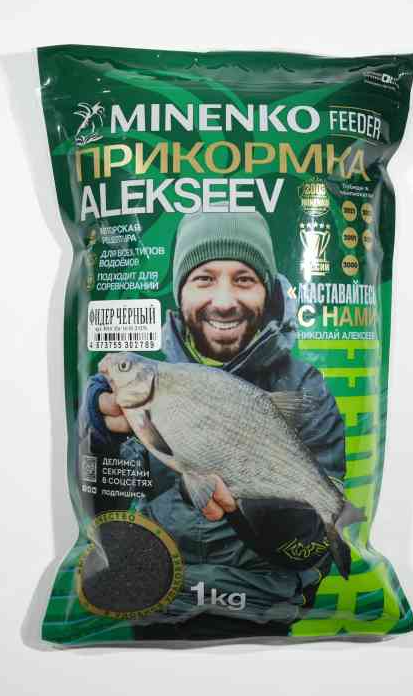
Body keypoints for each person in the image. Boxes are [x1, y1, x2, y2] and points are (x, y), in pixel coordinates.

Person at [80, 209, 346, 639]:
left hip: (268, 613)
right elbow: (104, 516)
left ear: (267, 291)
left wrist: (247, 511)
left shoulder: (306, 389)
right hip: (155, 600)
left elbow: (307, 552)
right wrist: (97, 433)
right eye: (203, 279)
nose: (224, 301)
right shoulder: (143, 393)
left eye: (244, 279)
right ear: (179, 292)